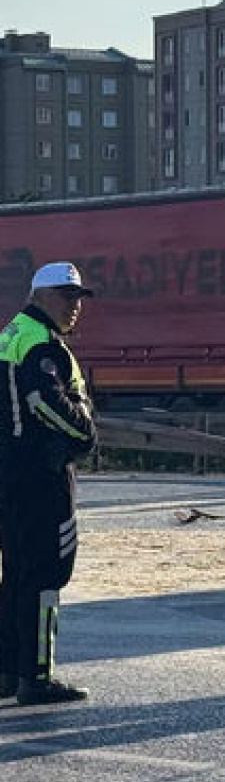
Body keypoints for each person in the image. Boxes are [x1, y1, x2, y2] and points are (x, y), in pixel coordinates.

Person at [0, 261, 98, 706]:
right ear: (38, 297)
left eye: (78, 298)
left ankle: (8, 671)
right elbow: (45, 401)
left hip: (11, 474)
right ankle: (37, 677)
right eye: (65, 296)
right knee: (46, 575)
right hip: (42, 477)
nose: (73, 306)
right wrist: (85, 433)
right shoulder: (42, 344)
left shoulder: (11, 335)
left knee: (17, 573)